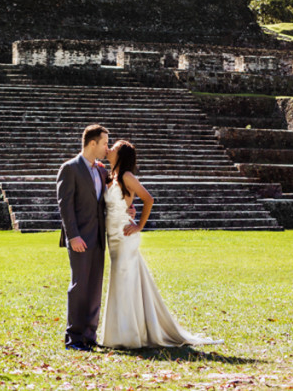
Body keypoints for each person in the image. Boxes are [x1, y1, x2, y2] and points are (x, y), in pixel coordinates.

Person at [99, 139, 223, 349]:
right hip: (113, 237)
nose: (109, 149)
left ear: (121, 155)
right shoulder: (111, 176)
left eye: (114, 147)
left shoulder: (128, 177)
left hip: (125, 236)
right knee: (120, 282)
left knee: (124, 282)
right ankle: (119, 332)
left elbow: (149, 199)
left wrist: (139, 225)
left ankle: (127, 335)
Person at [56, 124, 126, 351]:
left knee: (95, 287)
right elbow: (65, 206)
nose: (107, 148)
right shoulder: (69, 169)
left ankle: (89, 335)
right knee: (79, 286)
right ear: (92, 143)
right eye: (105, 143)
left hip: (98, 238)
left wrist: (128, 210)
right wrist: (73, 236)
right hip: (79, 239)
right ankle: (74, 338)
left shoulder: (101, 171)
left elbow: (109, 200)